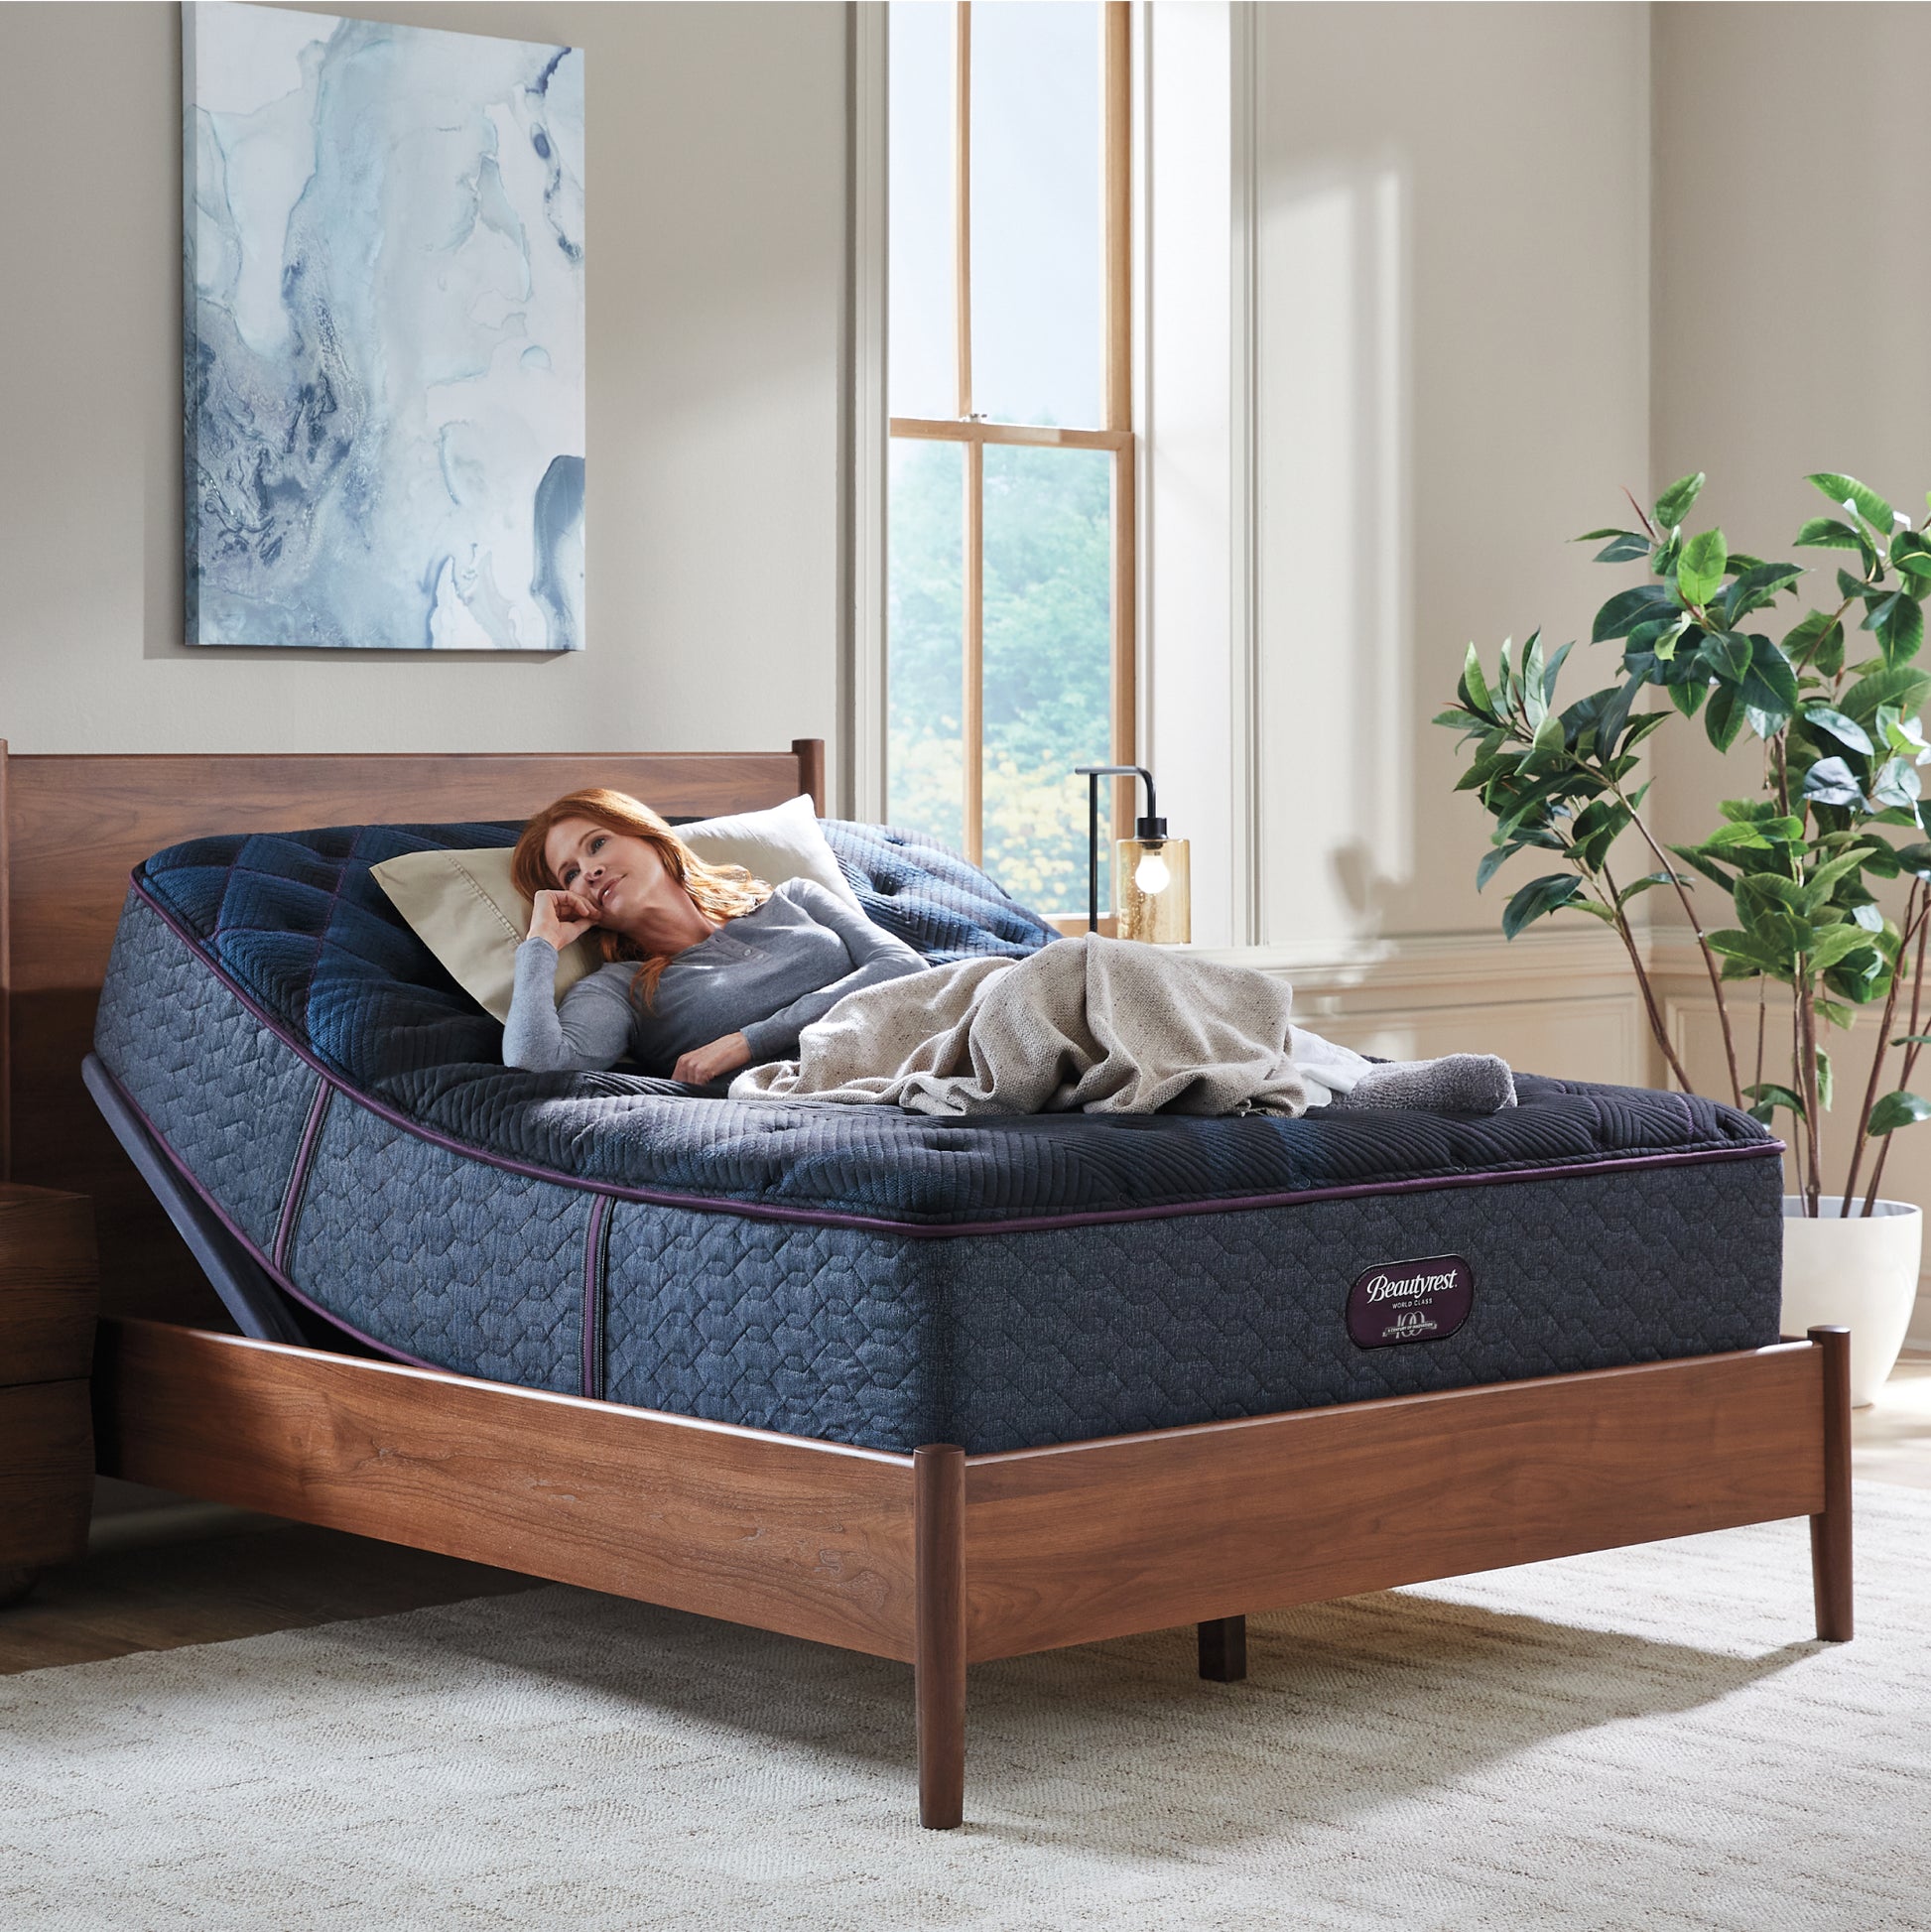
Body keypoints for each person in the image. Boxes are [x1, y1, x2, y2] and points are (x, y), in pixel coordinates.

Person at [503, 789, 926, 1084]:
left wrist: (748, 1041)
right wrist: (540, 943)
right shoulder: (619, 990)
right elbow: (535, 1067)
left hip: (923, 1039)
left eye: (597, 844)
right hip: (830, 1093)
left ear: (648, 835)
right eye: (570, 875)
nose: (590, 871)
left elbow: (906, 968)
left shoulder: (795, 897)